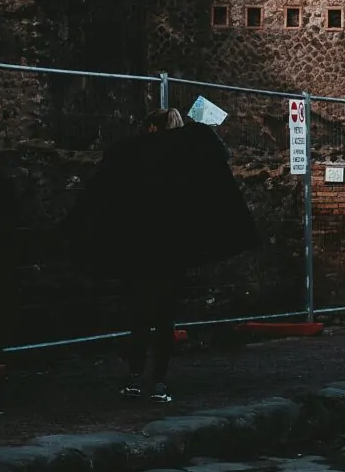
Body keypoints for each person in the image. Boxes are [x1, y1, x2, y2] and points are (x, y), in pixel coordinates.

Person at [72, 108, 257, 403]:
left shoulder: (134, 156)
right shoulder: (186, 162)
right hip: (171, 254)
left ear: (153, 129)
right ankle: (157, 380)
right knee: (163, 318)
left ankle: (136, 377)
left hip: (138, 252)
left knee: (138, 316)